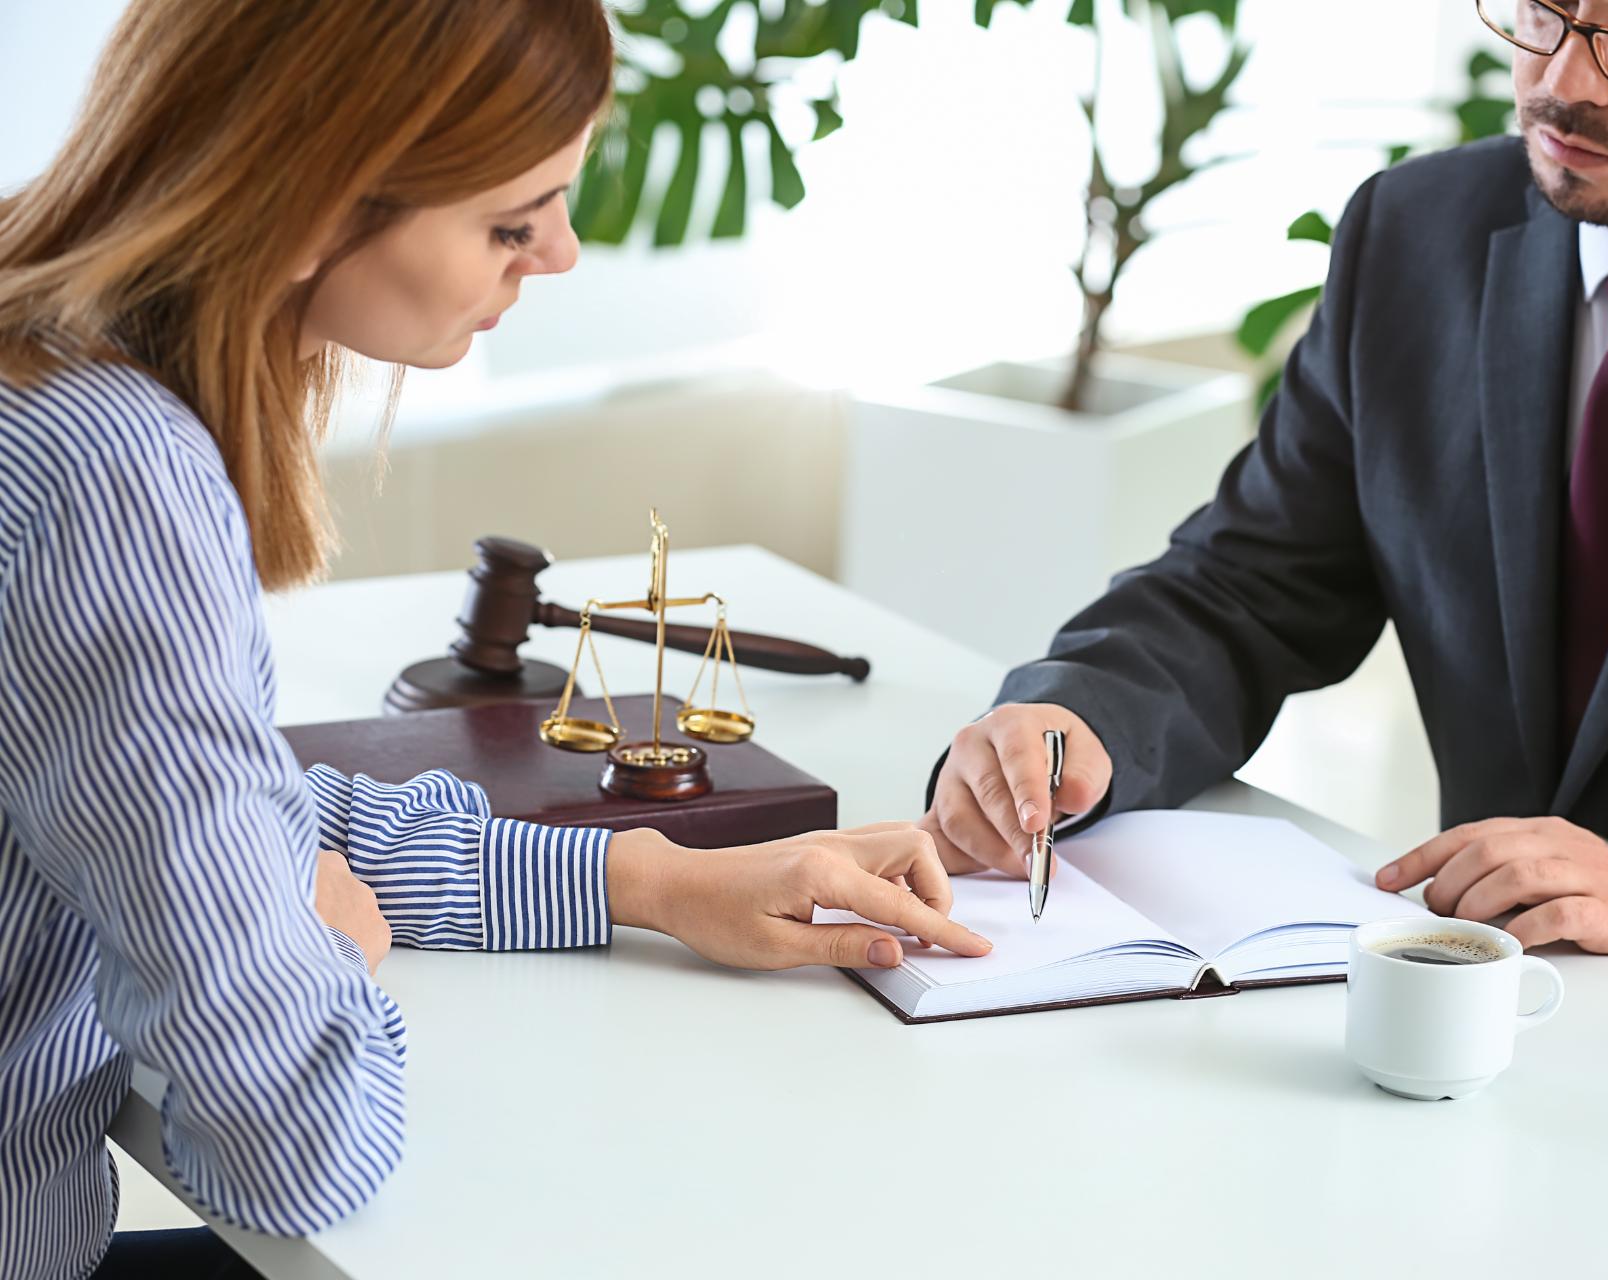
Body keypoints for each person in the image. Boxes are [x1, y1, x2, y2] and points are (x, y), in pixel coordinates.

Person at [0, 3, 990, 1277]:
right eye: (511, 222)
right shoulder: (115, 482)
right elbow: (288, 1145)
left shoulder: (44, 362)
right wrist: (332, 957)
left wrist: (649, 878)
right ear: (314, 200)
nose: (562, 255)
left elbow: (232, 811)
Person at [921, 0, 1608, 1078]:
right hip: (1458, 1045)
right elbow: (1246, 586)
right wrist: (1077, 718)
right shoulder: (1416, 232)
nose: (1566, 81)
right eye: (1546, 12)